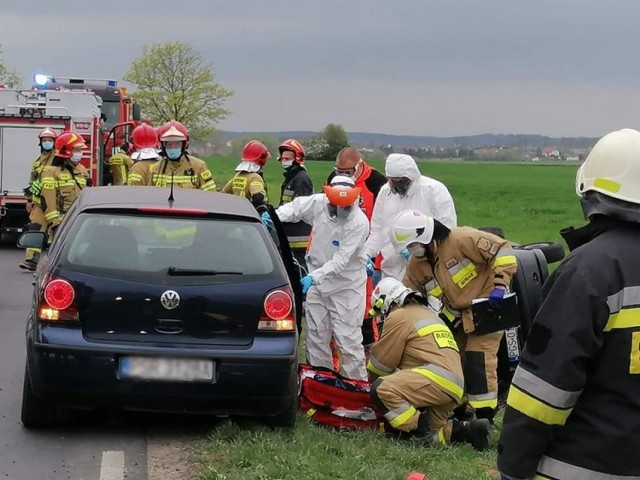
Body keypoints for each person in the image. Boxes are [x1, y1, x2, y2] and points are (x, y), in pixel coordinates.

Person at [498, 128, 640, 480]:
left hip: (581, 466)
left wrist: (512, 468)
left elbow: (544, 391)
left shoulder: (590, 270)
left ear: (588, 193)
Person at [393, 210, 517, 423]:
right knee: (454, 360)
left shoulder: (461, 239)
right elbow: (408, 292)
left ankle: (485, 415)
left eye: (412, 245)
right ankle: (460, 409)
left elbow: (502, 250)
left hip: (488, 306)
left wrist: (499, 285)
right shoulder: (416, 265)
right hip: (457, 317)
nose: (411, 250)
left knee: (479, 360)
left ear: (425, 236)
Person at [367, 277, 491, 450]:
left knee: (382, 389)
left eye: (381, 312)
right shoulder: (428, 313)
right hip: (454, 386)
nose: (381, 318)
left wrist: (368, 382)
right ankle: (468, 431)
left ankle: (417, 429)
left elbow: (381, 366)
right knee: (436, 431)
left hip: (434, 379)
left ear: (387, 302)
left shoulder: (398, 316)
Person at [272, 176, 369, 380]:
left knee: (348, 340)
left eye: (345, 206)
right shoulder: (318, 203)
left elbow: (340, 261)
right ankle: (322, 385)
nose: (340, 210)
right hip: (317, 281)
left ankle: (359, 388)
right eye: (335, 205)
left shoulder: (359, 222)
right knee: (316, 337)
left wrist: (313, 278)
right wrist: (274, 216)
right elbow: (296, 208)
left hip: (346, 286)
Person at [326, 147, 388, 366]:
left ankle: (370, 365)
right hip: (338, 253)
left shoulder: (376, 182)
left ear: (359, 165)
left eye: (347, 171)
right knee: (332, 311)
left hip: (366, 257)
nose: (342, 175)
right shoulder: (335, 180)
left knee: (365, 313)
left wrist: (375, 256)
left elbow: (384, 221)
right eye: (338, 170)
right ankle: (330, 367)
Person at [365, 153, 457, 281]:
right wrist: (367, 254)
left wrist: (422, 250)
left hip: (427, 270)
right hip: (391, 271)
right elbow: (378, 231)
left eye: (401, 182)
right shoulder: (385, 192)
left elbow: (448, 232)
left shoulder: (434, 190)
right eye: (393, 181)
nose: (396, 186)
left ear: (411, 176)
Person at [19, 128, 58, 271]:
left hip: (55, 203)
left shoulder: (58, 159)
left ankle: (56, 262)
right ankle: (31, 260)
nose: (47, 143)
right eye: (44, 140)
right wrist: (29, 200)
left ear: (54, 142)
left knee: (57, 232)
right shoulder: (38, 162)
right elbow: (32, 181)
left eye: (50, 140)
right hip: (40, 203)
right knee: (35, 228)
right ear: (40, 143)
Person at [40, 131, 90, 237]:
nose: (80, 153)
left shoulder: (82, 171)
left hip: (79, 225)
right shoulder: (51, 172)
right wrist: (55, 225)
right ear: (67, 151)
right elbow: (48, 202)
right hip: (61, 227)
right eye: (77, 149)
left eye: (80, 149)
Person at [148, 120, 216, 191]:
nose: (173, 147)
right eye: (169, 144)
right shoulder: (156, 169)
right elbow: (150, 196)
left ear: (184, 144)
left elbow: (211, 196)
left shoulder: (199, 167)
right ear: (163, 145)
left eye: (177, 143)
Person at [277, 139, 314, 267]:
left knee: (299, 273)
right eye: (282, 158)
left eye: (287, 158)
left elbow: (300, 209)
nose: (284, 161)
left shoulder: (301, 179)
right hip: (290, 238)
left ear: (297, 159)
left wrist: (276, 216)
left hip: (298, 242)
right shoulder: (291, 178)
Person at [221, 140, 270, 208]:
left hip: (236, 212)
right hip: (249, 215)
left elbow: (223, 194)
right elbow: (258, 197)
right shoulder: (255, 177)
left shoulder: (237, 176)